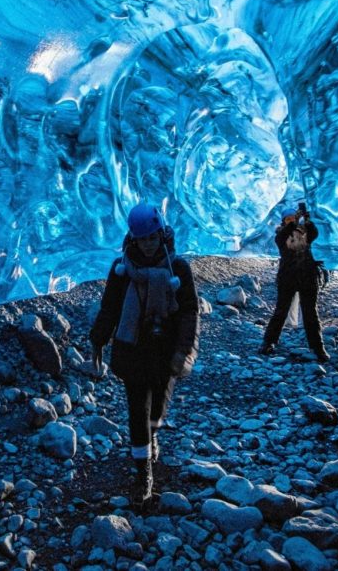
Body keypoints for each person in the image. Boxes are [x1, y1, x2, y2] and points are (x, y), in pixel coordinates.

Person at [90, 203, 200, 505]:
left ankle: (152, 437)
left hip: (165, 351)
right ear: (134, 239)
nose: (149, 244)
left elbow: (189, 311)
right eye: (143, 239)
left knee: (156, 411)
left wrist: (183, 350)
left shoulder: (178, 268)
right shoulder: (121, 269)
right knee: (137, 410)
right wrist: (97, 340)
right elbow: (110, 307)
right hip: (132, 350)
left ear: (161, 235)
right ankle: (143, 474)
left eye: (153, 238)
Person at [260, 204, 329, 362]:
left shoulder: (306, 233)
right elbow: (283, 235)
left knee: (310, 314)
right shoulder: (281, 235)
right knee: (280, 311)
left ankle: (318, 348)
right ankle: (268, 342)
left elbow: (314, 232)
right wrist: (295, 221)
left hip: (308, 277)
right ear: (284, 221)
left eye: (293, 217)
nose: (292, 220)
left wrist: (307, 217)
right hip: (288, 278)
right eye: (288, 218)